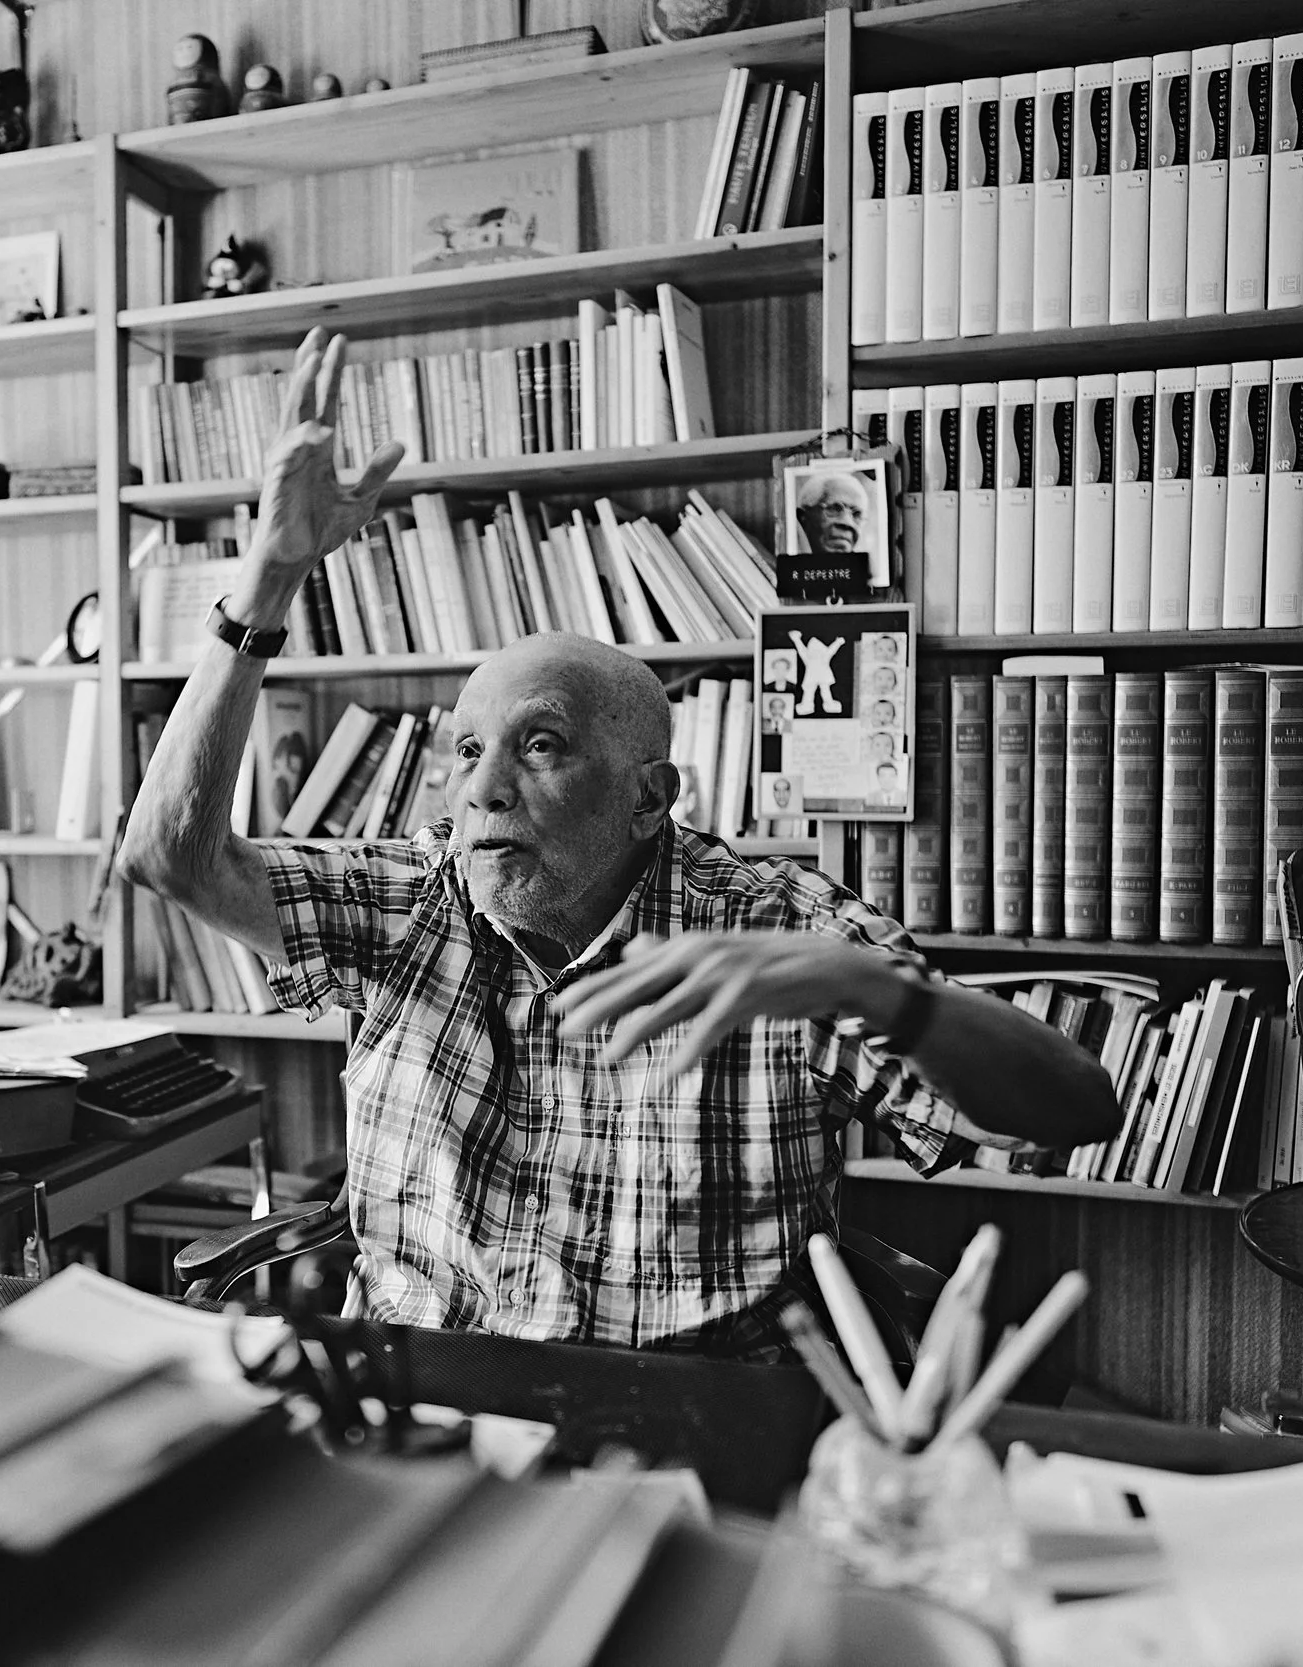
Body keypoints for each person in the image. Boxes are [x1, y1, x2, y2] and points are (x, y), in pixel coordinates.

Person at [120, 329, 1119, 1360]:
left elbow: (1071, 1115)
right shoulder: (418, 897)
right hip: (436, 1402)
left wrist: (882, 994)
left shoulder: (783, 932)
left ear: (652, 799)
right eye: (466, 749)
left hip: (688, 1416)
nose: (482, 787)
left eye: (538, 744)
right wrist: (269, 580)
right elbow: (169, 857)